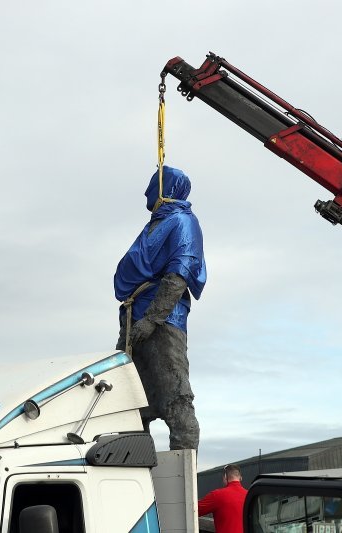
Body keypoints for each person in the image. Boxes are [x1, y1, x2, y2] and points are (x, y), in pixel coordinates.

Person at [114, 165, 207, 450]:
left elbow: (179, 273)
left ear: (165, 190)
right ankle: (135, 474)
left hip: (163, 323)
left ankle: (183, 477)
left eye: (152, 185)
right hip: (133, 319)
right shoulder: (157, 222)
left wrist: (153, 319)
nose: (146, 191)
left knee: (175, 396)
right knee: (127, 402)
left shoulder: (182, 221)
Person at [197, 464, 247, 533]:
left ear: (225, 477)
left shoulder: (217, 495)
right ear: (241, 478)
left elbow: (193, 510)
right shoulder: (249, 495)